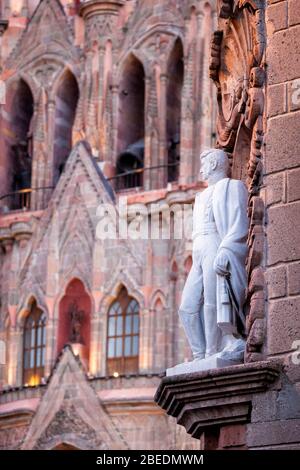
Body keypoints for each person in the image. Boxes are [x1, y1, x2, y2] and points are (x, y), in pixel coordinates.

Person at [178, 148, 249, 365]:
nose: (200, 169)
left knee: (211, 300)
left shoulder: (231, 187)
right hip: (198, 248)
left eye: (204, 163)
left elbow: (239, 223)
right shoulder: (200, 198)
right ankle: (199, 355)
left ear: (213, 165)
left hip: (213, 245)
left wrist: (226, 249)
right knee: (187, 307)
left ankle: (211, 352)